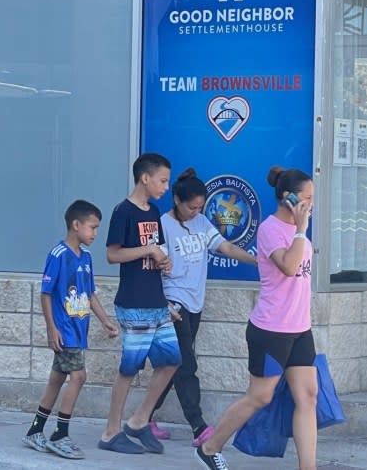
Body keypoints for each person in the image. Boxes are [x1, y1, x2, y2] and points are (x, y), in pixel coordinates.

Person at [195, 166, 317, 470]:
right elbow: (289, 267)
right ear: (288, 199)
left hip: (300, 327)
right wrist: (301, 230)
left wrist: (301, 231)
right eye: (307, 197)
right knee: (260, 397)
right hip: (271, 328)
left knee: (308, 397)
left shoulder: (297, 232)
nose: (311, 203)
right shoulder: (270, 229)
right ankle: (210, 447)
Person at [148, 168, 257, 447]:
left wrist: (257, 261)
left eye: (200, 207)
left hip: (195, 304)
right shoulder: (162, 225)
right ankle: (199, 427)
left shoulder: (202, 223)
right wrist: (163, 304)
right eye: (191, 207)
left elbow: (226, 248)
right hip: (174, 304)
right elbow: (150, 269)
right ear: (176, 199)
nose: (196, 212)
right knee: (186, 365)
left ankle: (143, 418)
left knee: (172, 366)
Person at [98, 152, 182, 455]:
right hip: (133, 303)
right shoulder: (124, 212)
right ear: (144, 178)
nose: (165, 186)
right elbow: (113, 254)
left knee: (172, 361)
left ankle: (138, 420)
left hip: (156, 301)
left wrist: (163, 262)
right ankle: (110, 432)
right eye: (162, 180)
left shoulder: (154, 211)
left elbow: (154, 251)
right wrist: (148, 249)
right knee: (129, 369)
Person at [23, 200, 118, 459]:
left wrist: (105, 320)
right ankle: (60, 434)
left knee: (57, 379)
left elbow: (90, 294)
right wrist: (51, 328)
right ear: (76, 225)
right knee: (79, 377)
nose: (95, 234)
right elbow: (46, 293)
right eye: (92, 227)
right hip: (65, 330)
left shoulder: (86, 257)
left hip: (79, 329)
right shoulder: (58, 255)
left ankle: (35, 430)